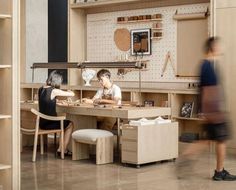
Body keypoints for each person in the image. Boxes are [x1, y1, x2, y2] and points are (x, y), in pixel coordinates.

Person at [177, 37, 236, 181]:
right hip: (214, 112)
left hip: (209, 111)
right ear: (212, 47)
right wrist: (213, 113)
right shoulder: (208, 66)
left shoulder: (205, 65)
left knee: (207, 140)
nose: (220, 48)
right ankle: (219, 172)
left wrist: (202, 112)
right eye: (218, 46)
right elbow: (209, 91)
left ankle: (184, 160)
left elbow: (202, 90)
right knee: (221, 140)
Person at [38, 70, 75, 156]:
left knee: (64, 123)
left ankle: (61, 148)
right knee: (70, 124)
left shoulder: (41, 89)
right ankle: (62, 150)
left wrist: (57, 101)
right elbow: (72, 94)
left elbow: (47, 100)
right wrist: (70, 91)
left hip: (42, 123)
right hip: (49, 123)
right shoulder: (53, 90)